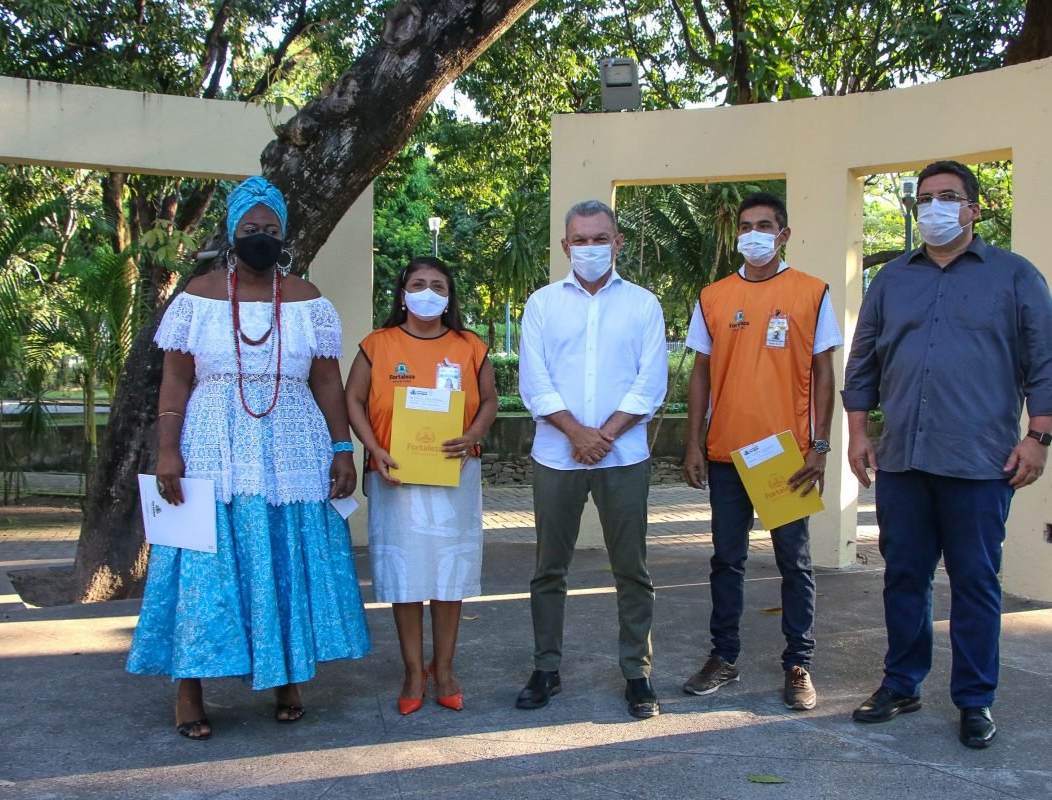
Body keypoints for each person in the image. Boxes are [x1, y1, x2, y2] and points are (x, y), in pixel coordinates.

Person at [128, 176, 371, 740]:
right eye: (250, 228)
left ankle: (287, 679)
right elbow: (175, 380)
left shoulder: (309, 299)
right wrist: (168, 450)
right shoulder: (198, 294)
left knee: (284, 553)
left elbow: (329, 384)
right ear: (232, 233)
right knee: (202, 559)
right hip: (212, 444)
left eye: (271, 229)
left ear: (284, 235)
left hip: (292, 445)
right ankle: (190, 690)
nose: (260, 236)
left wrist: (343, 451)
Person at [842, 160, 1052, 749]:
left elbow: (1046, 362)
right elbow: (864, 360)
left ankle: (974, 699)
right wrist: (859, 432)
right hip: (903, 461)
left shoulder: (1016, 276)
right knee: (905, 577)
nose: (934, 208)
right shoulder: (891, 279)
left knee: (974, 582)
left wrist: (1037, 437)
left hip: (981, 461)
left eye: (948, 197)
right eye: (924, 199)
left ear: (973, 208)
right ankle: (902, 683)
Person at [680, 192, 842, 711]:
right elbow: (700, 374)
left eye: (764, 225)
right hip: (726, 451)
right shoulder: (713, 297)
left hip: (784, 456)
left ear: (784, 235)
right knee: (726, 561)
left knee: (794, 563)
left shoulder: (811, 293)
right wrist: (693, 444)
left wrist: (819, 445)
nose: (754, 234)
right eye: (746, 226)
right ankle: (723, 658)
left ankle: (799, 663)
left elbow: (823, 373)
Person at [516, 200, 668, 719]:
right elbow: (534, 380)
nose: (589, 248)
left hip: (622, 457)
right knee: (548, 569)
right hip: (556, 457)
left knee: (632, 569)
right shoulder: (541, 304)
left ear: (618, 242)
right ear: (564, 246)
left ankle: (637, 674)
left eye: (599, 238)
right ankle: (546, 667)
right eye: (579, 240)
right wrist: (576, 433)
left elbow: (651, 382)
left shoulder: (644, 305)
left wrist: (602, 435)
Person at [345, 257, 498, 715]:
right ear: (402, 292)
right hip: (395, 476)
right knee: (406, 576)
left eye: (437, 285)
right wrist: (374, 448)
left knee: (449, 576)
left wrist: (474, 434)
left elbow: (488, 399)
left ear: (449, 296)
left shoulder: (471, 346)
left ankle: (445, 668)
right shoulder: (377, 344)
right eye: (418, 284)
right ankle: (414, 670)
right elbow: (352, 398)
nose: (427, 292)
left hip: (455, 475)